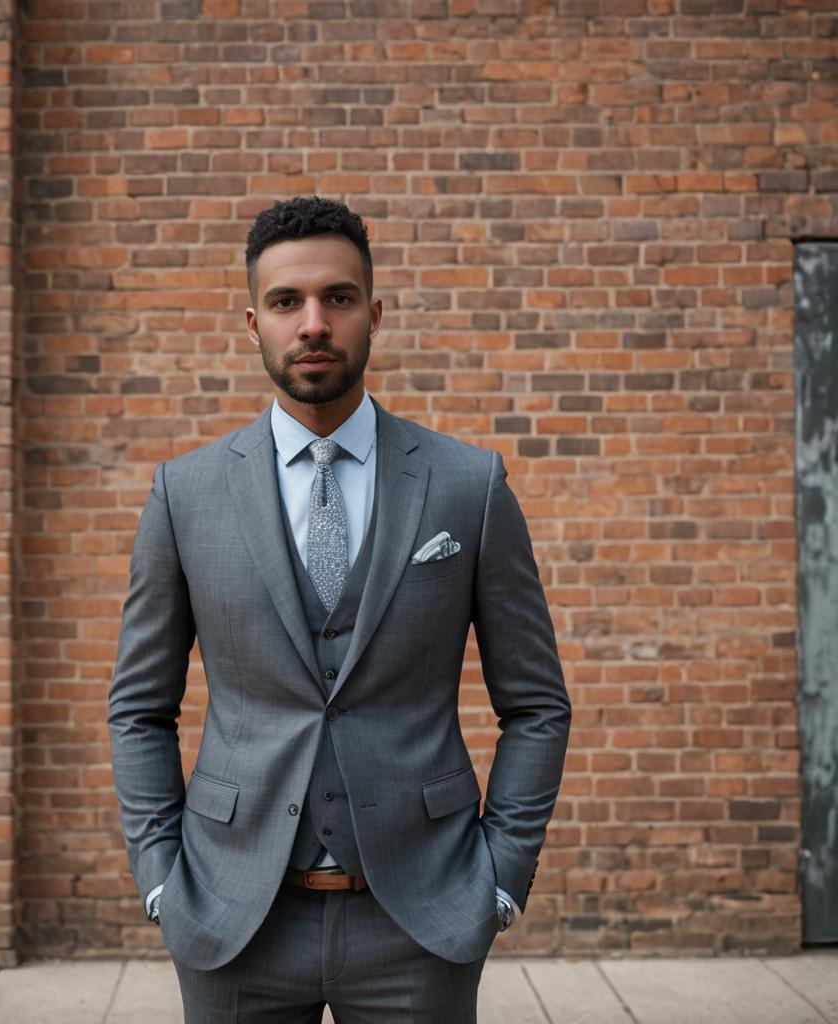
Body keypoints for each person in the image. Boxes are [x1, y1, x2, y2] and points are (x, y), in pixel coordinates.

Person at [108, 195, 571, 1023]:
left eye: (338, 298)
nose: (313, 322)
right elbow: (140, 709)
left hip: (422, 919)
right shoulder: (186, 493)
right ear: (254, 324)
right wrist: (159, 882)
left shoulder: (469, 486)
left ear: (375, 314)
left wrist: (499, 881)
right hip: (231, 917)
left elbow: (536, 705)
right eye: (287, 303)